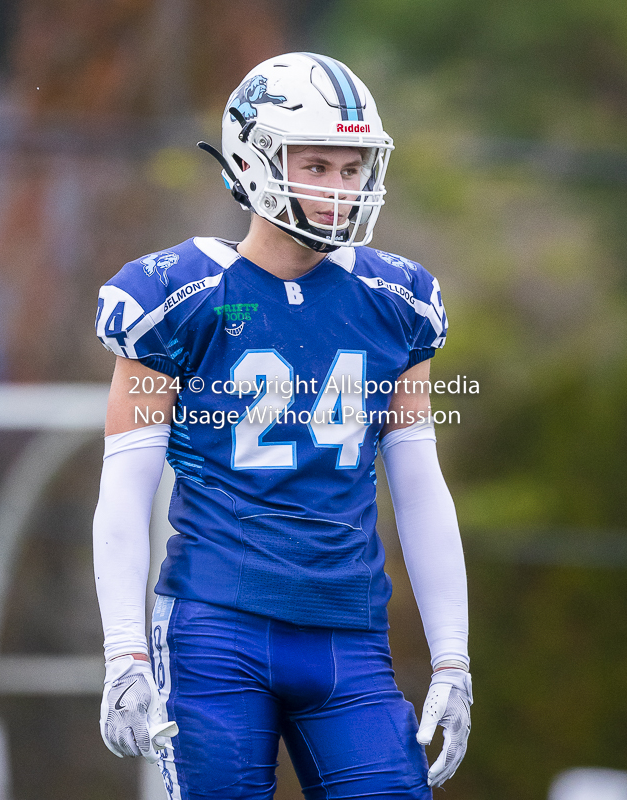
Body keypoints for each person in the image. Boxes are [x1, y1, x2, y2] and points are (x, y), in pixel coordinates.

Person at [93, 52, 471, 800]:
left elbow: (422, 488)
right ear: (250, 158)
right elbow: (125, 489)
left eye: (351, 168)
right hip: (214, 634)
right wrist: (124, 653)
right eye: (317, 164)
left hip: (349, 637)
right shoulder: (177, 295)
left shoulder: (396, 301)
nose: (338, 188)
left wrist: (453, 660)